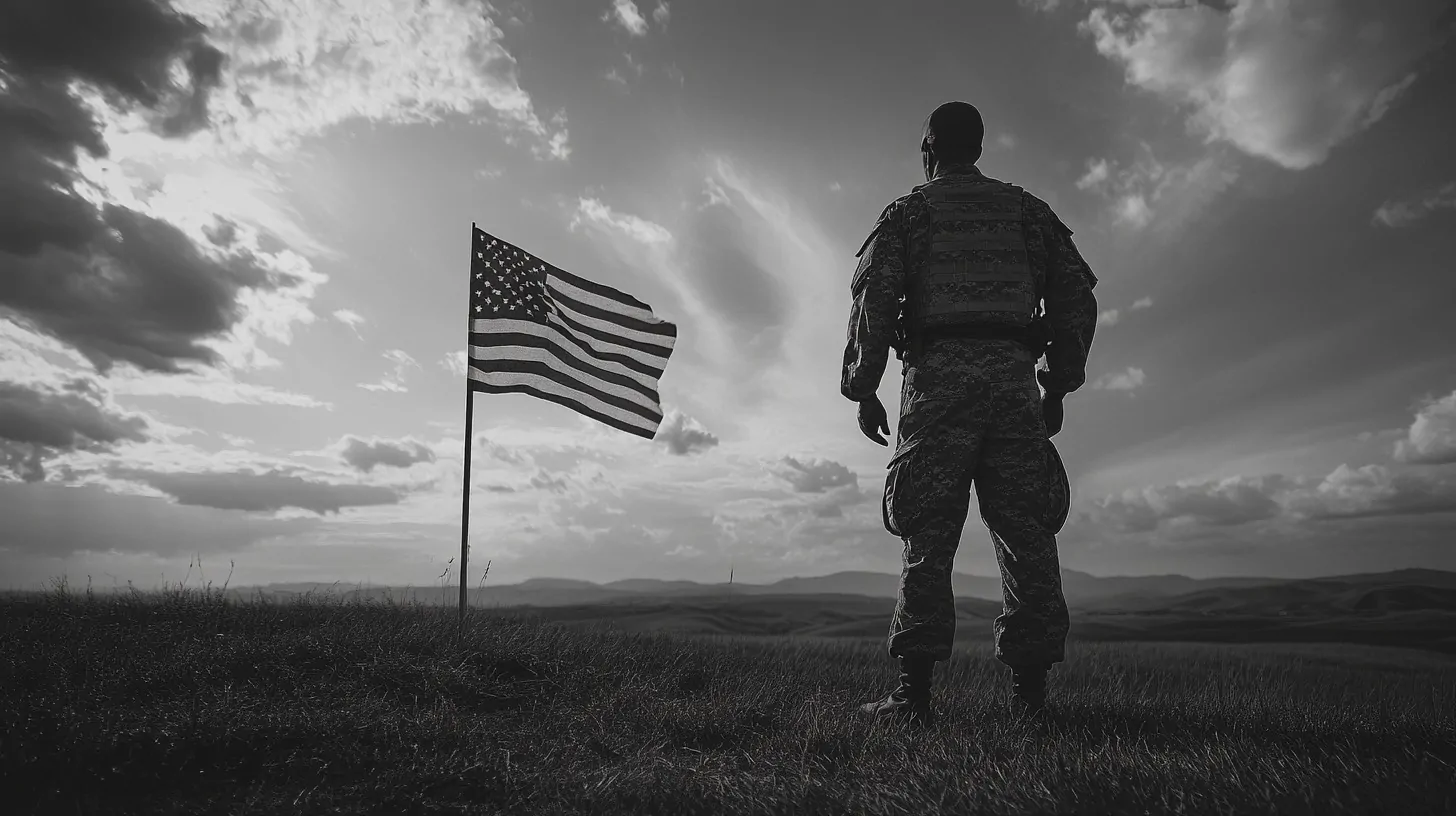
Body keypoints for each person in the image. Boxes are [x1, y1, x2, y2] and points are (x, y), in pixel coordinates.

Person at [843, 101, 1099, 726]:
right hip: (1014, 387)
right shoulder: (1028, 212)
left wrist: (864, 385)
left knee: (927, 538)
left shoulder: (910, 213)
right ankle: (1032, 703)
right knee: (1026, 538)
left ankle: (913, 698)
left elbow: (875, 300)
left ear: (929, 146)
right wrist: (1057, 386)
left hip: (936, 388)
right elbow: (1076, 299)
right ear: (979, 146)